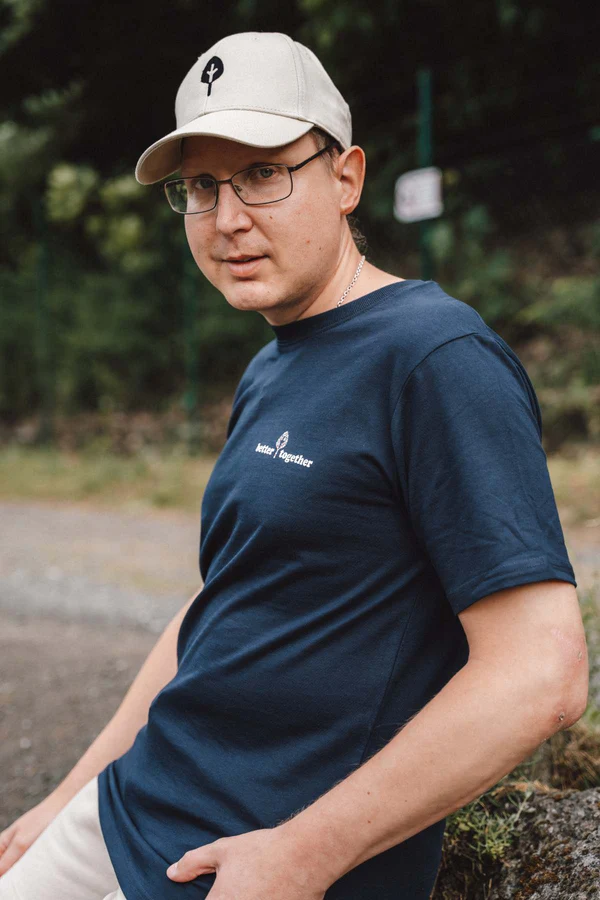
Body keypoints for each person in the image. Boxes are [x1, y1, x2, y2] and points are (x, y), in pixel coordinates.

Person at [0, 30, 588, 900]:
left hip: (246, 864)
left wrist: (304, 854)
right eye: (202, 186)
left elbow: (543, 674)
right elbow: (223, 601)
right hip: (129, 812)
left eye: (263, 173)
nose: (227, 218)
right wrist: (69, 796)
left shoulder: (435, 357)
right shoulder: (274, 363)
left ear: (347, 178)